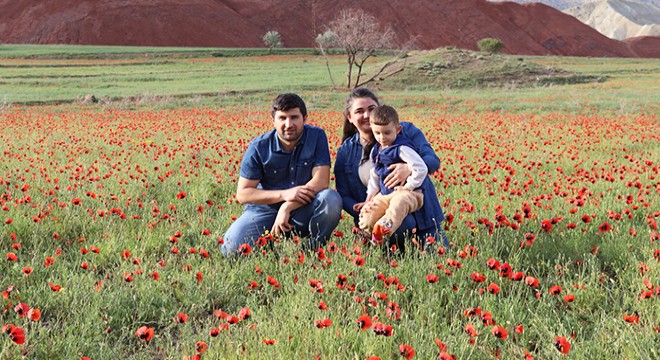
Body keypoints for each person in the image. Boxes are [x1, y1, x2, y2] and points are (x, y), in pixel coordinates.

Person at [221, 93, 342, 255]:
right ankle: (269, 242)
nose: (288, 124)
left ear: (304, 118)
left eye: (294, 117)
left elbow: (321, 181)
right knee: (230, 250)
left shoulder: (316, 137)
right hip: (263, 211)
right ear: (273, 121)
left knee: (330, 199)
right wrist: (284, 195)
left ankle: (313, 249)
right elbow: (243, 194)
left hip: (303, 207)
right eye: (282, 118)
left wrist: (287, 206)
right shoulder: (259, 147)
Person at [334, 88, 448, 250]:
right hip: (378, 210)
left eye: (371, 109)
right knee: (395, 224)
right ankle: (387, 246)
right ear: (350, 118)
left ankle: (400, 247)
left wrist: (408, 168)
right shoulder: (347, 150)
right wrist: (364, 206)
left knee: (439, 258)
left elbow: (432, 160)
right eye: (359, 111)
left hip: (420, 214)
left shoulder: (406, 131)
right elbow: (343, 193)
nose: (366, 115)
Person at [359, 105, 427, 244]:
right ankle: (368, 235)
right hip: (385, 193)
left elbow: (421, 168)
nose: (382, 137)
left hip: (410, 193)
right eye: (377, 133)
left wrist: (409, 186)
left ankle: (383, 229)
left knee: (398, 205)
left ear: (397, 130)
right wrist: (370, 197)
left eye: (387, 133)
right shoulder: (375, 150)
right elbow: (375, 175)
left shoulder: (402, 148)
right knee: (369, 213)